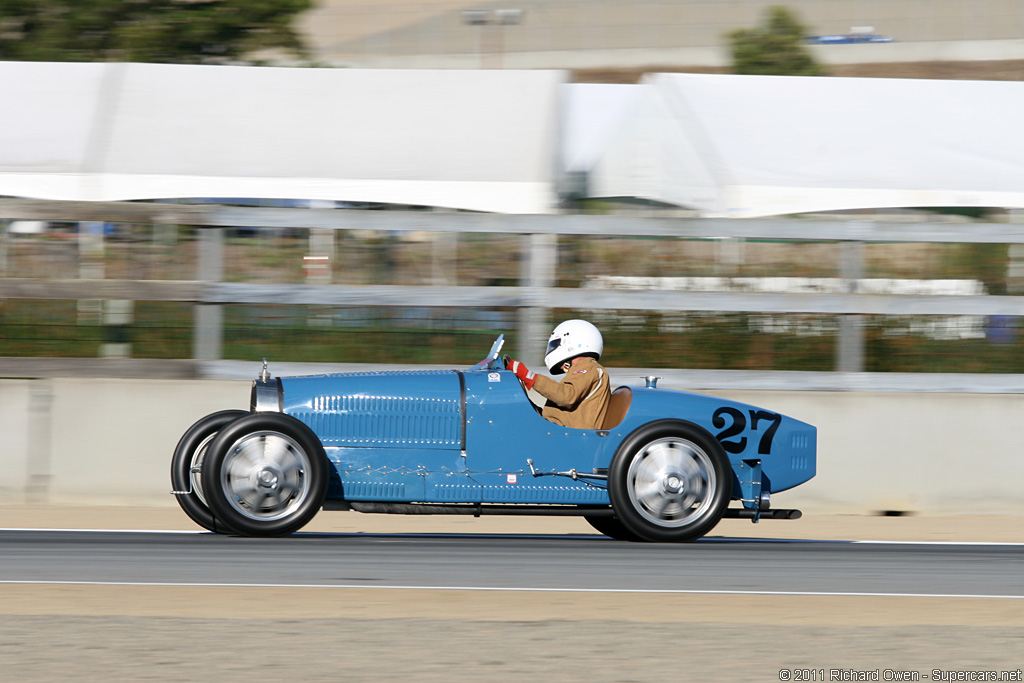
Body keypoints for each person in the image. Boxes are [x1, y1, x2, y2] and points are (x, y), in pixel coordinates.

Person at [504, 319, 611, 430]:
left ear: (573, 343)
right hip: (558, 432)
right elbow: (552, 416)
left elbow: (566, 396)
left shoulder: (589, 367)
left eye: (555, 344)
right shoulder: (581, 371)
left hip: (570, 437)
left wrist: (528, 376)